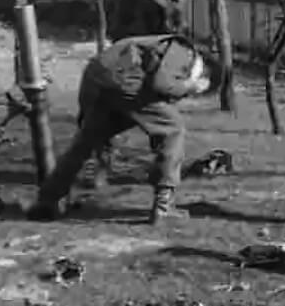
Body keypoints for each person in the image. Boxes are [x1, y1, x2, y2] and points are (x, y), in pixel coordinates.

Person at [27, 33, 216, 224]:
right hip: (124, 81)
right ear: (203, 73)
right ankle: (164, 207)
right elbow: (162, 84)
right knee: (173, 129)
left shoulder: (157, 46)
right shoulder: (184, 52)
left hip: (102, 78)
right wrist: (189, 86)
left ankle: (47, 201)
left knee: (86, 141)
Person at [81, 0, 188, 190]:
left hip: (121, 66)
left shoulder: (131, 2)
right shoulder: (154, 4)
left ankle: (100, 168)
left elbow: (115, 31)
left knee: (101, 122)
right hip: (143, 67)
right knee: (165, 123)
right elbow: (172, 33)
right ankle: (162, 180)